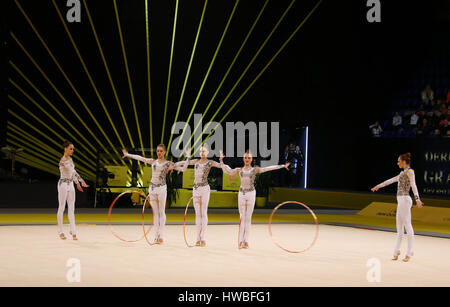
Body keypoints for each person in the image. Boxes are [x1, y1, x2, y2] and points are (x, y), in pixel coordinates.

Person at [220, 150, 290, 249]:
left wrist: (282, 166)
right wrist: (221, 161)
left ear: (251, 159)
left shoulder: (255, 170)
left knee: (248, 218)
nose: (247, 159)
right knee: (242, 218)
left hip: (251, 194)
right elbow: (227, 171)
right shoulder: (239, 170)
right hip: (242, 194)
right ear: (243, 159)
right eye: (245, 157)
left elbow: (268, 168)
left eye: (249, 158)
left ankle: (246, 241)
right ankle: (241, 241)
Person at [122, 145, 189, 244]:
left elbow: (183, 169)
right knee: (155, 213)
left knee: (161, 212)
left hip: (162, 189)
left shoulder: (168, 164)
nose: (159, 153)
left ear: (165, 152)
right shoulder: (153, 161)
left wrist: (187, 158)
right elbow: (140, 158)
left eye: (161, 151)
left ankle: (161, 236)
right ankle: (155, 236)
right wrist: (128, 154)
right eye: (158, 151)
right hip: (152, 189)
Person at [371, 153, 424, 262]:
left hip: (405, 199)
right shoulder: (402, 173)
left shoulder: (410, 172)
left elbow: (413, 185)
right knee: (399, 227)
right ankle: (396, 251)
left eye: (399, 161)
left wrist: (417, 199)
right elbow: (390, 181)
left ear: (404, 162)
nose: (397, 163)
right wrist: (378, 186)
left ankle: (409, 252)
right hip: (401, 200)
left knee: (407, 225)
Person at [184, 145, 223, 247]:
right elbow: (183, 164)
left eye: (204, 151)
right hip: (196, 189)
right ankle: (197, 238)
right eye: (201, 151)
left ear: (208, 152)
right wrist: (187, 157)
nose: (202, 153)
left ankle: (203, 237)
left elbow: (221, 166)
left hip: (205, 189)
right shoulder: (196, 161)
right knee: (197, 214)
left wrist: (221, 160)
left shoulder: (210, 162)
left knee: (203, 212)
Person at [57, 140, 89, 240]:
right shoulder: (62, 161)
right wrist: (80, 181)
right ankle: (61, 231)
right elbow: (71, 171)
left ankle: (73, 230)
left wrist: (77, 182)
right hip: (63, 184)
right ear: (65, 149)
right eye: (70, 149)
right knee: (62, 207)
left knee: (71, 208)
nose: (72, 151)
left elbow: (73, 171)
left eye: (73, 149)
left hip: (70, 184)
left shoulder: (70, 159)